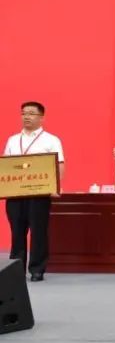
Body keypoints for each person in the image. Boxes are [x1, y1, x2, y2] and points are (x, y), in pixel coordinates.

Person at [3, 102, 65, 282]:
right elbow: (6, 165)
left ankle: (37, 269)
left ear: (41, 117)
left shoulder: (51, 140)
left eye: (31, 113)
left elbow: (59, 164)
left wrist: (55, 186)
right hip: (15, 194)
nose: (27, 117)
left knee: (38, 231)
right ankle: (16, 269)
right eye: (24, 113)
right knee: (17, 231)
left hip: (39, 194)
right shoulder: (13, 140)